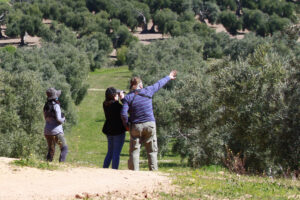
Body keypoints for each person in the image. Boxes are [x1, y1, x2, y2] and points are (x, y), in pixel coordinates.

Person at [121, 70, 177, 171]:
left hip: (136, 126)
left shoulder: (128, 97)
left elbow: (123, 114)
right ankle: (153, 173)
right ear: (141, 85)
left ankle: (134, 173)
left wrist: (126, 125)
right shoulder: (148, 90)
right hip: (150, 124)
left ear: (132, 86)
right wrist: (169, 77)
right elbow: (159, 84)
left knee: (134, 150)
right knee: (152, 150)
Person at [102, 87, 126, 169]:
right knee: (116, 153)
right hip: (118, 131)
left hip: (109, 130)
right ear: (114, 95)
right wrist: (122, 99)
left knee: (110, 152)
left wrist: (116, 98)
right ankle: (114, 170)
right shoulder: (117, 106)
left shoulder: (105, 104)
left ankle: (104, 168)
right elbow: (126, 109)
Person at [43, 88, 68, 162]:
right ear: (55, 96)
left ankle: (47, 164)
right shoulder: (56, 105)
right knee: (64, 148)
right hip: (56, 132)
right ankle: (61, 165)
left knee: (51, 150)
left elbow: (46, 118)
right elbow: (59, 119)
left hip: (47, 131)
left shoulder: (45, 106)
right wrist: (64, 119)